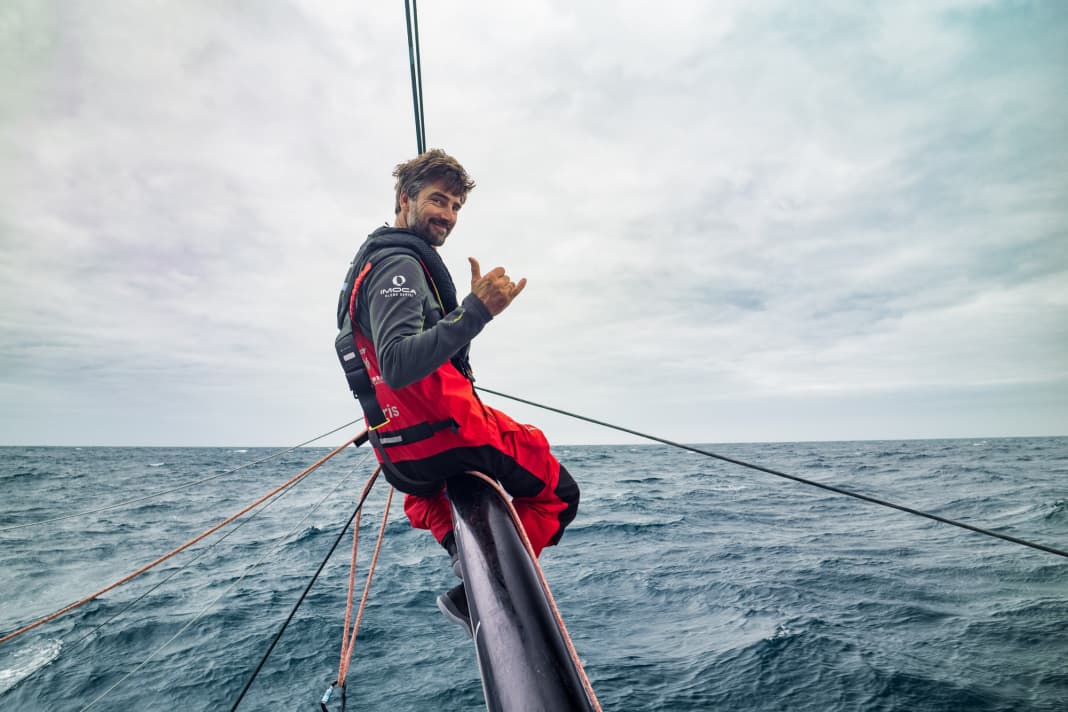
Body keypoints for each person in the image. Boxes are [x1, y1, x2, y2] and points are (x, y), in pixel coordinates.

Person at [334, 149, 580, 635]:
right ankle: (487, 590)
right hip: (447, 436)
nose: (447, 215)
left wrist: (465, 317)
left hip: (401, 458)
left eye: (456, 207)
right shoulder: (399, 266)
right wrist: (477, 312)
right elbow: (399, 362)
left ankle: (466, 566)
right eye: (437, 200)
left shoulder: (373, 263)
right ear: (404, 199)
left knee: (428, 501)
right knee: (560, 494)